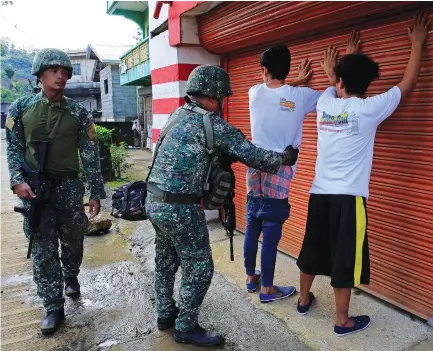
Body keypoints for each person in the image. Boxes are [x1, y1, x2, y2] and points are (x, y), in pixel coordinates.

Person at [145, 65, 299, 346]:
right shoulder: (214, 125)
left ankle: (165, 314)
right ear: (215, 96)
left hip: (153, 202)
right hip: (181, 209)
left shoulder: (176, 116)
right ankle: (185, 326)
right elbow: (255, 156)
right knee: (200, 268)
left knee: (166, 261)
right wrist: (285, 157)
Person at [296, 15, 431, 336]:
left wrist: (344, 58)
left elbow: (333, 85)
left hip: (319, 193)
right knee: (345, 256)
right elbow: (407, 84)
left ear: (340, 82)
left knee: (312, 246)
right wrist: (416, 44)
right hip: (349, 199)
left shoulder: (326, 104)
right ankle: (342, 321)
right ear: (365, 85)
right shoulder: (370, 109)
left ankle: (303, 300)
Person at [6, 48, 106, 334]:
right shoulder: (21, 108)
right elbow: (13, 149)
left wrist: (95, 193)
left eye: (65, 72)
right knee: (42, 247)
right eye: (55, 71)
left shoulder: (78, 112)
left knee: (73, 240)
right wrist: (16, 180)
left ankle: (71, 275)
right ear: (40, 75)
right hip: (35, 189)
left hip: (69, 187)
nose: (61, 76)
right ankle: (53, 306)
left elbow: (89, 154)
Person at [244, 45, 330, 303]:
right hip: (281, 167)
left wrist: (294, 83)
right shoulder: (300, 97)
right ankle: (268, 289)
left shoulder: (254, 92)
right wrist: (314, 79)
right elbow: (327, 96)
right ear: (287, 69)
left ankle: (251, 278)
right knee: (270, 229)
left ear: (264, 70)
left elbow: (274, 91)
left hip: (254, 165)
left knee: (252, 223)